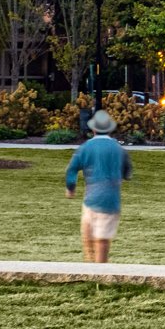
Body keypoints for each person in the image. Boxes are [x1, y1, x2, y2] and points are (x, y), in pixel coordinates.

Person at [64, 109, 132, 263]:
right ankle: (100, 274)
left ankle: (91, 270)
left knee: (88, 239)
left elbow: (71, 170)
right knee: (102, 239)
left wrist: (71, 188)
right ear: (109, 129)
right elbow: (127, 172)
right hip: (111, 200)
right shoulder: (119, 149)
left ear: (93, 129)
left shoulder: (85, 148)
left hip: (90, 200)